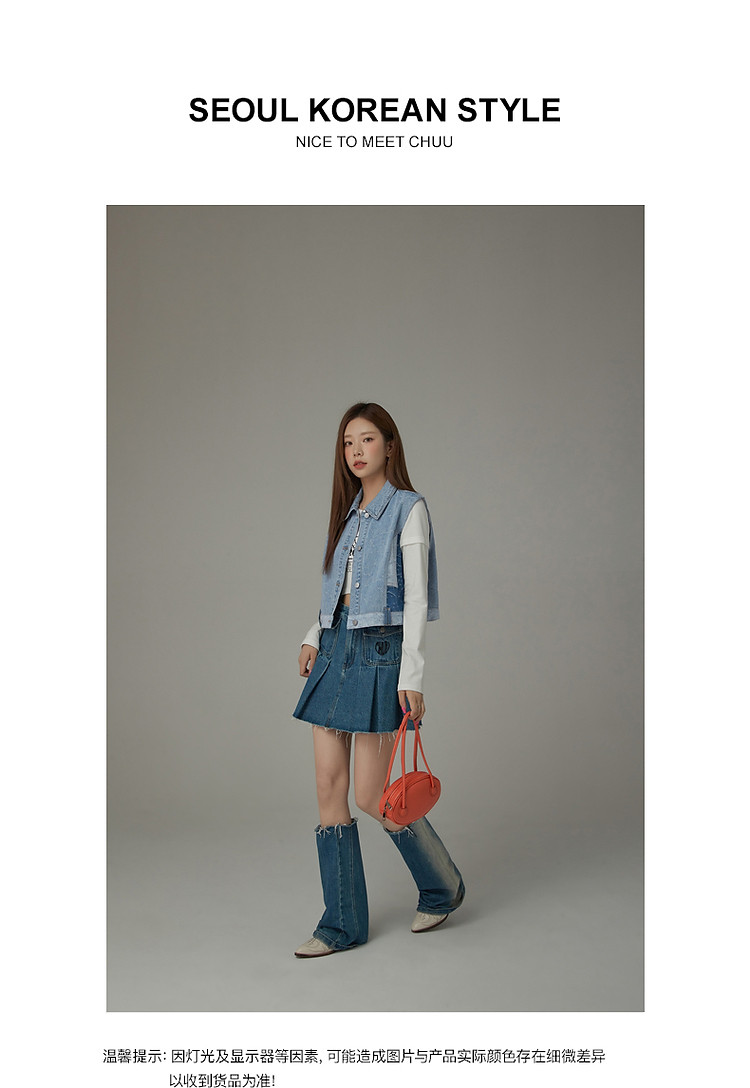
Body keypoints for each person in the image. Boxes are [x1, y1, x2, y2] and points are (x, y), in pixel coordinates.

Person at [292, 402, 464, 958]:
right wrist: (314, 634)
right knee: (327, 786)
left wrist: (412, 675)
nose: (356, 451)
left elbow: (414, 599)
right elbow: (339, 589)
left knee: (372, 795)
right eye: (348, 443)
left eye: (367, 439)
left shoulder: (409, 509)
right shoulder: (348, 514)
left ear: (390, 445)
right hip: (334, 648)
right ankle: (341, 924)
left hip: (378, 654)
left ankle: (442, 885)